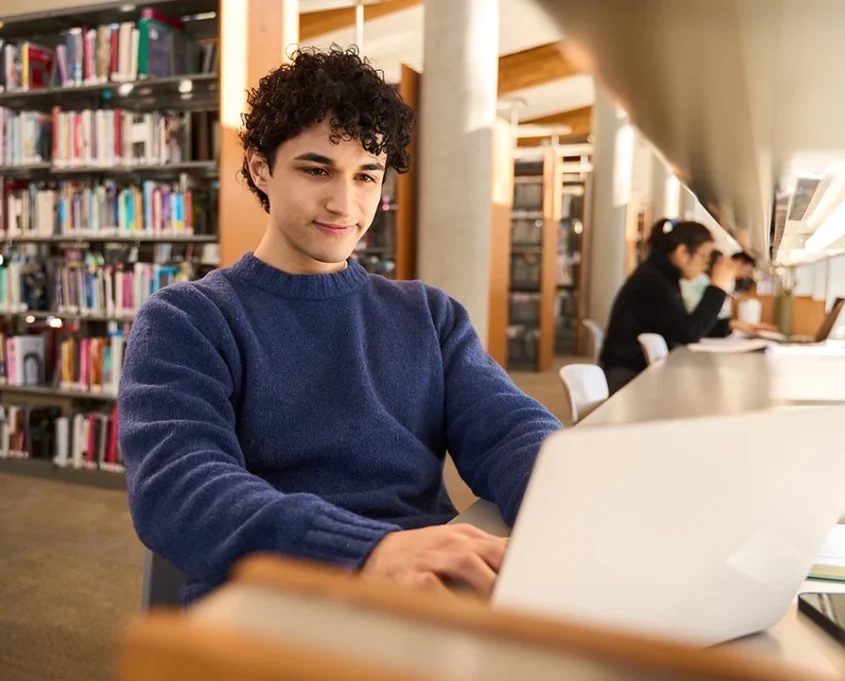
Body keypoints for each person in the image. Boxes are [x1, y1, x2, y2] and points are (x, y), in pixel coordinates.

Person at [117, 46, 563, 604]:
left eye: (367, 176)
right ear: (261, 167)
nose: (344, 204)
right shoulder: (187, 319)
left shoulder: (428, 314)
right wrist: (367, 552)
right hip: (276, 602)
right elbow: (179, 490)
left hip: (423, 586)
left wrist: (569, 502)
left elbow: (511, 429)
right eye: (316, 170)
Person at [599, 219, 736, 393]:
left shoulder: (661, 276)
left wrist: (727, 326)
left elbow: (684, 324)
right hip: (628, 378)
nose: (706, 265)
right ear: (682, 252)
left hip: (637, 372)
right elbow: (688, 333)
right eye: (705, 256)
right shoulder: (651, 281)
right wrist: (716, 288)